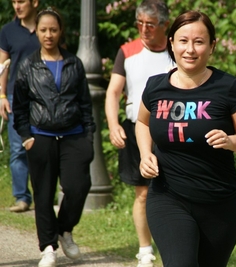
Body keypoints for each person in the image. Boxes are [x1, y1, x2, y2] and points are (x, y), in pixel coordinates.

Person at [135, 10, 236, 267]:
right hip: (167, 196)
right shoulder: (156, 86)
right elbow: (142, 122)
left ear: (212, 46)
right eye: (183, 41)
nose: (190, 49)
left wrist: (231, 141)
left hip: (218, 202)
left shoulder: (227, 87)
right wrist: (146, 154)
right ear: (171, 43)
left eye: (199, 42)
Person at [12, 7, 95, 267]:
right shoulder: (28, 65)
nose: (49, 34)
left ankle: (65, 229)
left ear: (60, 32)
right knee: (44, 195)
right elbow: (20, 107)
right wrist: (26, 136)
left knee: (78, 187)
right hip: (40, 136)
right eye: (44, 30)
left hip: (74, 136)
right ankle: (47, 246)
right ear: (37, 31)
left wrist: (89, 138)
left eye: (54, 30)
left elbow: (85, 103)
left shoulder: (74, 63)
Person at [104, 0, 173, 266]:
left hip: (171, 129)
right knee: (143, 193)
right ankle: (145, 249)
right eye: (139, 23)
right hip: (137, 129)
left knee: (175, 191)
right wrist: (113, 125)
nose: (143, 29)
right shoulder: (127, 51)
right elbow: (113, 92)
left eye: (150, 24)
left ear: (164, 25)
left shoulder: (176, 50)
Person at [0, 0, 40, 213]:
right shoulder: (7, 31)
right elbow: (2, 65)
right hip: (16, 97)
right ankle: (22, 198)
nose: (17, 5)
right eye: (14, 1)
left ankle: (44, 194)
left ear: (34, 2)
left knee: (43, 146)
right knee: (17, 148)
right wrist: (1, 95)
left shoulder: (46, 27)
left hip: (42, 97)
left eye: (21, 1)